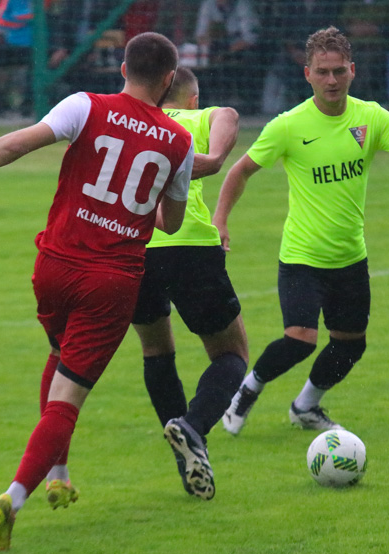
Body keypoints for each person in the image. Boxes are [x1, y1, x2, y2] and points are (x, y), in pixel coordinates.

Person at [0, 32, 195, 551]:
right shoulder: (179, 142)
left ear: (123, 68)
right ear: (170, 80)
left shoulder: (84, 105)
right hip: (110, 282)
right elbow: (169, 224)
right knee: (68, 399)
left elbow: (19, 142)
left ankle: (59, 470)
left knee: (57, 356)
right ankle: (12, 497)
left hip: (53, 267)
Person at [212, 26, 389, 436]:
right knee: (301, 338)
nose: (331, 80)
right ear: (307, 73)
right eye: (322, 72)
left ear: (352, 71)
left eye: (339, 71)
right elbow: (240, 172)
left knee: (350, 344)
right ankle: (246, 391)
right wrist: (220, 221)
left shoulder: (372, 117)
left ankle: (306, 405)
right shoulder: (288, 126)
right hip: (302, 258)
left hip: (350, 258)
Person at [131, 67, 247, 498]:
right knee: (232, 354)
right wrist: (214, 158)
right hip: (190, 245)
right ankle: (193, 426)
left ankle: (187, 462)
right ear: (193, 99)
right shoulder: (197, 119)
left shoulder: (136, 124)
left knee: (156, 349)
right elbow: (230, 115)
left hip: (135, 248)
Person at [194, 0, 262, 113]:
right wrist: (210, 39)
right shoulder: (209, 5)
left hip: (240, 51)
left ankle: (247, 105)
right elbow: (200, 35)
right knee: (202, 67)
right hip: (215, 50)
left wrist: (225, 53)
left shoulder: (242, 5)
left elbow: (250, 38)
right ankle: (207, 105)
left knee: (247, 62)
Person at [340, 0, 389, 106]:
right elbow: (343, 23)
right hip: (354, 45)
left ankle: (364, 97)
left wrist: (376, 29)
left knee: (368, 59)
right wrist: (353, 29)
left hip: (379, 45)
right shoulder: (352, 4)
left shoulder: (387, 4)